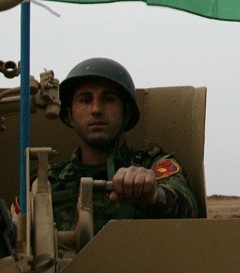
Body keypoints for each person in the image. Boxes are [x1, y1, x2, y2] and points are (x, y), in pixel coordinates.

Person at [47, 57, 201, 237]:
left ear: (127, 113)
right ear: (70, 116)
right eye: (85, 100)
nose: (96, 109)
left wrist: (152, 195)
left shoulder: (152, 164)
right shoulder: (49, 181)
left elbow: (188, 206)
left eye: (109, 99)